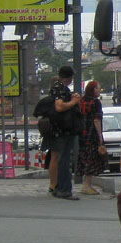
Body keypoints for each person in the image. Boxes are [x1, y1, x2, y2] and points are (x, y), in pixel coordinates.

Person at [47, 65, 81, 200]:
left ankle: (57, 187)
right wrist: (73, 101)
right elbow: (59, 106)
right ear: (68, 77)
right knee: (65, 160)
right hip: (63, 129)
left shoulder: (57, 87)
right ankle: (64, 189)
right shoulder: (59, 88)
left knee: (61, 158)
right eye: (72, 76)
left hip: (60, 129)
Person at [75, 80, 107, 195]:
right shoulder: (96, 102)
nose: (100, 90)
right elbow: (97, 120)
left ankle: (87, 184)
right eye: (98, 88)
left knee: (84, 157)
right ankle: (86, 185)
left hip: (81, 134)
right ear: (93, 90)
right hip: (91, 134)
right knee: (91, 159)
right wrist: (100, 138)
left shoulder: (81, 101)